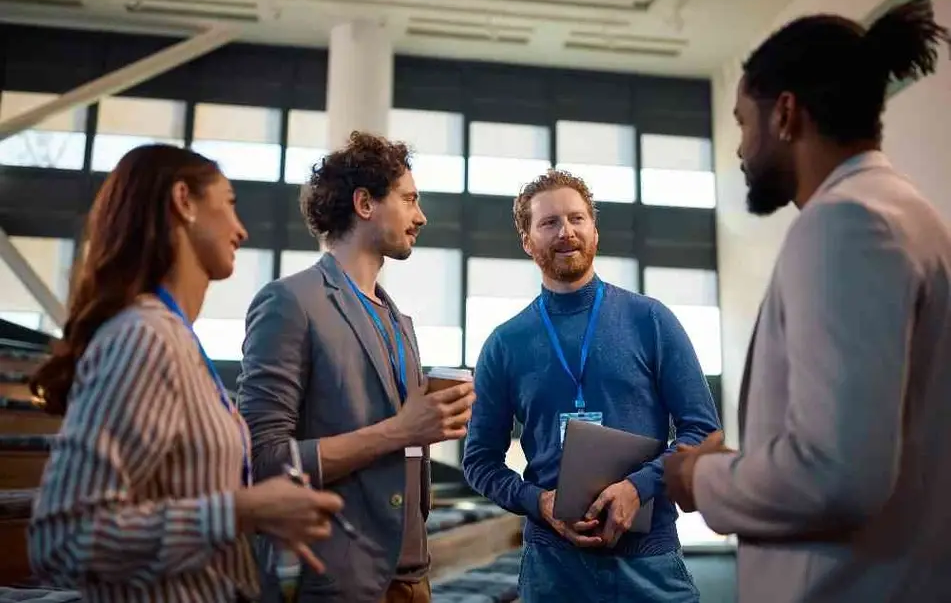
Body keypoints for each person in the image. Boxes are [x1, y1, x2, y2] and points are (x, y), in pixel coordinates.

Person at [664, 0, 951, 603]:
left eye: (744, 123)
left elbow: (838, 476)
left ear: (786, 115)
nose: (741, 149)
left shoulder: (846, 225)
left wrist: (699, 476)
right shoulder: (911, 215)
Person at [27, 144, 343, 603]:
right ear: (184, 200)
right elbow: (64, 538)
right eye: (230, 203)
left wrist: (253, 518)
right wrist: (237, 511)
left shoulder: (171, 336)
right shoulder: (145, 336)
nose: (241, 230)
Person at [238, 131, 476, 603]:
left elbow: (406, 440)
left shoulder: (399, 321)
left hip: (411, 576)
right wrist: (400, 431)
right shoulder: (290, 302)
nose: (421, 216)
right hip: (333, 580)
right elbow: (262, 462)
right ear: (365, 203)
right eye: (409, 200)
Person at [461, 169, 721, 603]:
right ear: (527, 241)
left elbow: (704, 431)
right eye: (549, 223)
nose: (566, 232)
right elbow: (480, 461)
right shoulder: (505, 343)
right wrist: (537, 501)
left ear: (595, 230)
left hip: (649, 562)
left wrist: (638, 487)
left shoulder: (651, 321)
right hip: (552, 567)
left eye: (577, 219)